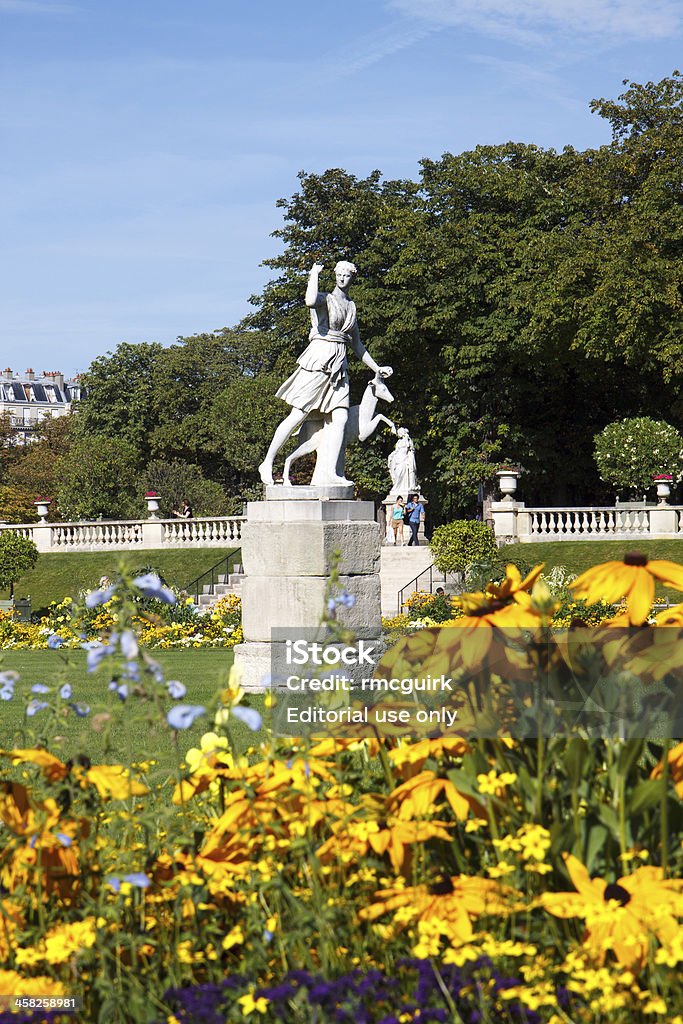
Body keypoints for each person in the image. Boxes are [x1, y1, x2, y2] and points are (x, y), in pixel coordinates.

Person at [258, 261, 393, 486]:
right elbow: (310, 300)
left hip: (339, 367)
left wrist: (376, 367)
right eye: (339, 275)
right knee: (297, 415)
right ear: (335, 276)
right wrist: (313, 274)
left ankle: (331, 473)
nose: (342, 279)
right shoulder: (325, 300)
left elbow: (358, 345)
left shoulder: (351, 307)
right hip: (319, 362)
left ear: (352, 278)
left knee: (340, 418)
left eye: (347, 275)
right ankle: (268, 461)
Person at [388, 428, 418, 495]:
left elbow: (411, 450)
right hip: (397, 459)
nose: (398, 434)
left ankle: (397, 487)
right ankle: (397, 486)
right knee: (396, 473)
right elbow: (396, 450)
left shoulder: (408, 440)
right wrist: (391, 456)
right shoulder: (398, 442)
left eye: (399, 433)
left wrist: (410, 458)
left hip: (404, 459)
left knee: (400, 473)